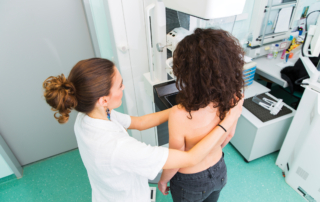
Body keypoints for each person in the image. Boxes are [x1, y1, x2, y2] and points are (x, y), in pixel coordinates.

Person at [42, 58, 243, 202]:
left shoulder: (88, 115)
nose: (124, 88)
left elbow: (139, 122)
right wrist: (228, 121)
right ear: (103, 100)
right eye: (120, 86)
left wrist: (180, 109)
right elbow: (190, 158)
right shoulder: (117, 148)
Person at [158, 28, 245, 202]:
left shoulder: (180, 114)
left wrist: (163, 180)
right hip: (219, 169)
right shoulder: (235, 97)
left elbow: (177, 159)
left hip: (189, 181)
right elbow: (229, 134)